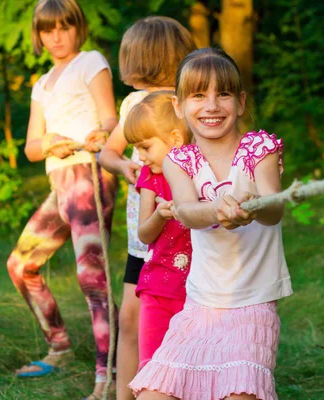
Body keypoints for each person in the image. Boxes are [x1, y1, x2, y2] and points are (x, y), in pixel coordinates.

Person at [129, 48, 294, 400]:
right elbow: (187, 211)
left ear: (240, 101)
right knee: (151, 396)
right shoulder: (180, 159)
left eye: (223, 93)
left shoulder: (258, 148)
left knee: (239, 395)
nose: (211, 105)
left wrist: (253, 208)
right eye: (198, 95)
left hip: (252, 304)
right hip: (201, 306)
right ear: (179, 106)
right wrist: (219, 209)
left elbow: (274, 210)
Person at [6, 0, 118, 398]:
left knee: (92, 276)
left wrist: (101, 134)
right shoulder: (42, 84)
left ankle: (111, 373)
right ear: (38, 35)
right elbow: (32, 147)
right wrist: (49, 142)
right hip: (60, 185)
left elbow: (110, 117)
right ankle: (60, 345)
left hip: (88, 177)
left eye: (64, 27)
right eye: (47, 29)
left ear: (78, 28)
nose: (56, 36)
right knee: (21, 265)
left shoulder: (90, 62)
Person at [98, 16, 196, 400]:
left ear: (142, 56)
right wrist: (123, 165)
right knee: (131, 314)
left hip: (185, 236)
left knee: (177, 313)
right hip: (144, 235)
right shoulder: (134, 104)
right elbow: (108, 152)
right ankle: (126, 393)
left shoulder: (188, 100)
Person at [122, 91, 193, 372]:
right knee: (152, 365)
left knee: (190, 367)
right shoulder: (150, 177)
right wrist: (160, 215)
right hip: (157, 287)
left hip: (197, 290)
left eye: (145, 147)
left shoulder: (198, 170)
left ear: (175, 139)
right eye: (136, 149)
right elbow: (144, 234)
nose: (140, 157)